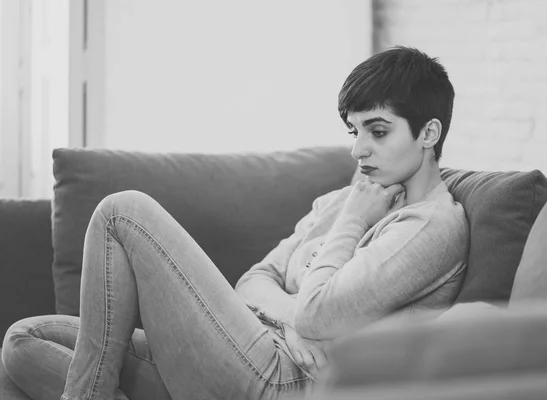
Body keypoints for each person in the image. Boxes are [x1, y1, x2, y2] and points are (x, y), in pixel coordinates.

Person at [1, 46, 469, 400]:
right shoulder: (350, 196)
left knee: (123, 212)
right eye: (354, 130)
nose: (357, 149)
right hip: (253, 347)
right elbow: (253, 281)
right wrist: (294, 323)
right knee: (25, 340)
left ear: (429, 132)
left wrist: (350, 224)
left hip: (289, 381)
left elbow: (319, 312)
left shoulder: (428, 226)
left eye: (378, 130)